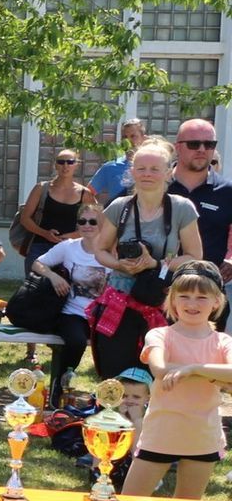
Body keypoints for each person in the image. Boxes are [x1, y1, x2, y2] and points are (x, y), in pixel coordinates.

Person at [49, 269, 232, 501]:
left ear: (217, 302)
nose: (192, 303)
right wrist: (209, 372)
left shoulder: (223, 342)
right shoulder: (159, 333)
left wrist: (192, 369)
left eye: (201, 297)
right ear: (171, 301)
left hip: (202, 439)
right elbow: (161, 370)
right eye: (184, 296)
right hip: (160, 435)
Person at [91, 137, 203, 379]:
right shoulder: (120, 207)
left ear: (168, 172)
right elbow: (100, 250)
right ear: (132, 172)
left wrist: (156, 264)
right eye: (141, 168)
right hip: (119, 299)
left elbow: (194, 256)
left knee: (158, 373)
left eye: (154, 169)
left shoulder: (181, 208)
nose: (147, 174)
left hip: (159, 299)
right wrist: (119, 264)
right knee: (115, 373)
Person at [32, 207, 109, 406]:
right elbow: (37, 263)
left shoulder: (112, 250)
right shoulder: (68, 247)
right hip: (72, 313)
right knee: (76, 342)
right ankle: (60, 386)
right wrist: (53, 275)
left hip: (103, 315)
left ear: (103, 225)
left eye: (93, 222)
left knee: (113, 346)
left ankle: (108, 396)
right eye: (82, 221)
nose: (87, 225)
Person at [165, 118, 232, 286]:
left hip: (206, 291)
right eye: (194, 144)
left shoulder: (227, 191)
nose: (202, 149)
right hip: (153, 290)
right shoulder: (156, 185)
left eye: (209, 144)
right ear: (177, 147)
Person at [18, 149, 95, 262]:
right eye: (61, 162)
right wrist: (45, 234)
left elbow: (95, 225)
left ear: (76, 165)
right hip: (39, 247)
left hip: (70, 249)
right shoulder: (41, 188)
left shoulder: (85, 194)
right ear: (55, 165)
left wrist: (71, 236)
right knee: (35, 274)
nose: (65, 166)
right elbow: (25, 219)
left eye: (70, 162)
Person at [87, 118, 147, 204]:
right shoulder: (110, 167)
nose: (128, 141)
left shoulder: (152, 167)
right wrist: (98, 211)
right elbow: (87, 194)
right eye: (124, 137)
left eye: (133, 136)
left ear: (144, 139)